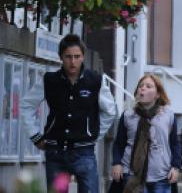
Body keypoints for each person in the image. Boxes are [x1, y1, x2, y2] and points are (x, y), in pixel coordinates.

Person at [20, 34, 118, 193]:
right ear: (60, 57)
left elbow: (110, 111)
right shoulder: (49, 80)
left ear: (83, 57)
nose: (73, 62)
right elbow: (26, 105)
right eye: (68, 57)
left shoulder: (95, 81)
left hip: (84, 153)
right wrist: (35, 136)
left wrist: (94, 134)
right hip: (55, 152)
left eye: (77, 57)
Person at [112, 74, 181, 193]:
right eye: (140, 86)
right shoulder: (128, 115)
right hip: (131, 173)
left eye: (148, 86)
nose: (143, 88)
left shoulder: (168, 115)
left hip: (161, 175)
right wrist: (116, 163)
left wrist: (176, 167)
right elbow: (118, 143)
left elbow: (175, 144)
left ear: (158, 94)